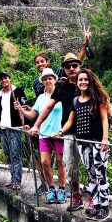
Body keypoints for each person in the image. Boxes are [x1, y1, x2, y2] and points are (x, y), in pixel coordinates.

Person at [53, 68, 111, 218]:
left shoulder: (98, 98)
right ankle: (96, 205)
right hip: (83, 143)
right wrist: (60, 132)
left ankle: (104, 207)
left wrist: (105, 139)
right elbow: (70, 121)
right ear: (77, 83)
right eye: (80, 80)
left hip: (98, 142)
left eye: (86, 79)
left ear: (90, 81)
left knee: (101, 175)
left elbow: (105, 119)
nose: (83, 82)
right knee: (91, 175)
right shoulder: (75, 101)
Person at [22, 68, 67, 203]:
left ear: (54, 80)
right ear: (42, 82)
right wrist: (21, 110)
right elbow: (33, 115)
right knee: (45, 163)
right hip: (43, 134)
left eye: (50, 78)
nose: (48, 81)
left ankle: (62, 190)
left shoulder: (62, 95)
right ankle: (51, 189)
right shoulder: (41, 98)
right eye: (45, 79)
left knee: (60, 162)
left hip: (58, 133)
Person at [0, 72, 29, 190]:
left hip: (15, 128)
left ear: (10, 79)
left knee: (15, 154)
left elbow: (25, 106)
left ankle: (17, 181)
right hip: (2, 129)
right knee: (8, 155)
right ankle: (12, 180)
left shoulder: (18, 91)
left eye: (5, 78)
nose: (3, 80)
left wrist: (26, 123)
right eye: (1, 79)